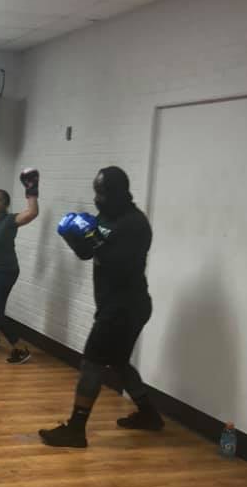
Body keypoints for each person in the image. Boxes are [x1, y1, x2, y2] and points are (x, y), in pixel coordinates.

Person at [39, 166, 163, 448]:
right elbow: (88, 253)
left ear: (118, 193)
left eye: (102, 193)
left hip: (125, 307)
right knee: (118, 363)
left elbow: (116, 264)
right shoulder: (106, 215)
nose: (97, 198)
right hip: (116, 304)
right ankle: (149, 415)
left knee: (91, 363)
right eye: (96, 191)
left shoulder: (135, 225)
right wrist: (74, 238)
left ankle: (76, 429)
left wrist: (92, 238)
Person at [0, 162, 39, 364]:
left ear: (6, 205)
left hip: (5, 271)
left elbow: (32, 212)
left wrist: (31, 189)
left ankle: (20, 348)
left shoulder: (10, 221)